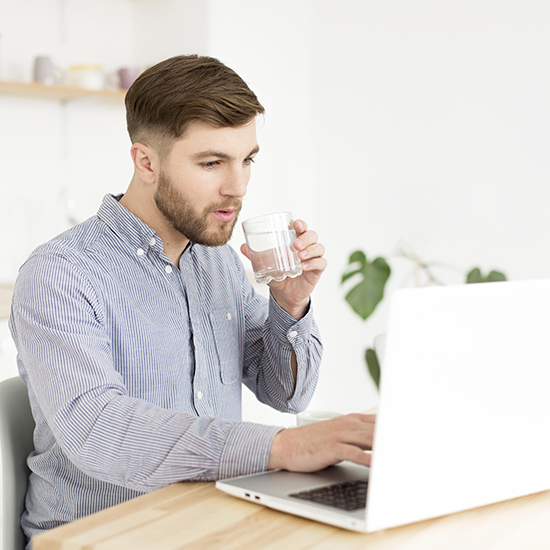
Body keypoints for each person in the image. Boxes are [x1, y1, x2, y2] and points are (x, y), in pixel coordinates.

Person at [9, 54, 375, 546]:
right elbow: (101, 431)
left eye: (247, 159)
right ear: (146, 162)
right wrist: (283, 447)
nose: (238, 187)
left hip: (209, 524)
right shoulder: (60, 275)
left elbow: (285, 394)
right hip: (100, 537)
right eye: (211, 163)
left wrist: (288, 306)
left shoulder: (216, 261)